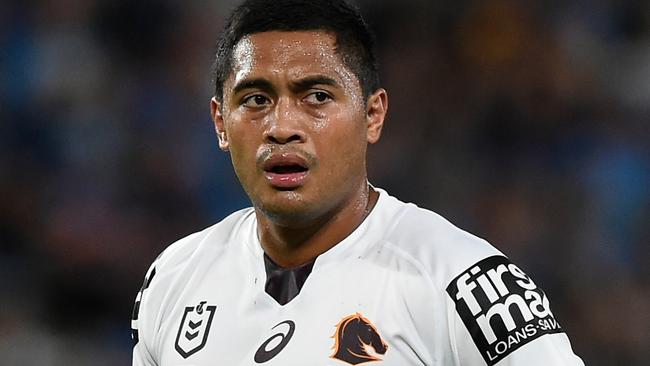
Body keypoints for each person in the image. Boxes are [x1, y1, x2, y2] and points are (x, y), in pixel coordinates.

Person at [131, 0, 585, 365]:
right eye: (255, 99)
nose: (282, 126)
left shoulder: (465, 283)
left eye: (317, 97)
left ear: (373, 115)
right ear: (220, 122)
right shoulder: (174, 279)